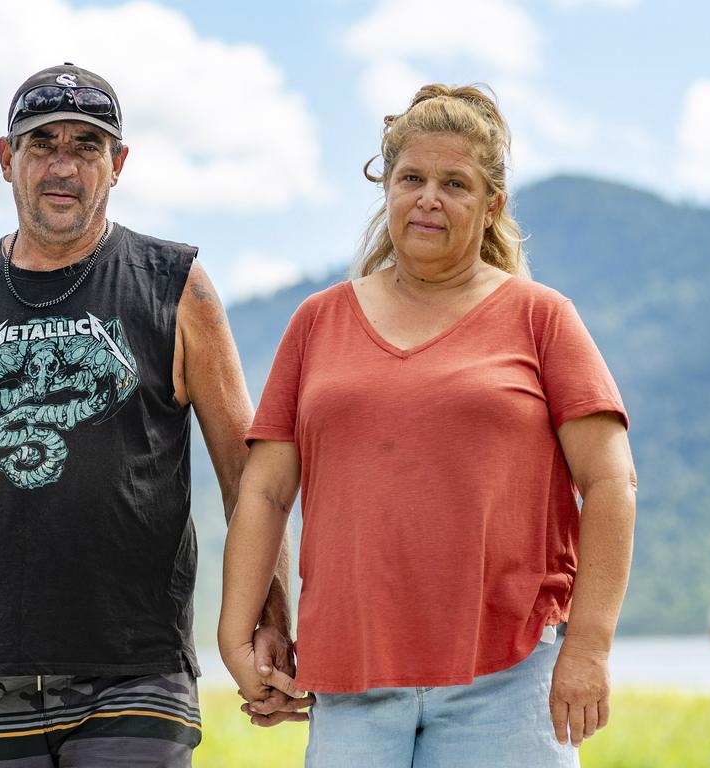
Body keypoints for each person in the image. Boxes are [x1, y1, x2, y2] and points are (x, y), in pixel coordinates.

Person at [0, 62, 293, 767]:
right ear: (7, 159)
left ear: (118, 163)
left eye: (87, 146)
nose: (63, 167)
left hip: (138, 668)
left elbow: (248, 477)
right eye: (43, 144)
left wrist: (273, 617)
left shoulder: (175, 286)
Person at [218, 83, 637, 767]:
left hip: (509, 676)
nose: (429, 198)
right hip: (351, 675)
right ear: (386, 187)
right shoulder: (318, 322)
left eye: (456, 183)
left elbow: (612, 481)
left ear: (492, 203)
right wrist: (239, 635)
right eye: (411, 177)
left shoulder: (542, 318)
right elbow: (265, 492)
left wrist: (589, 646)